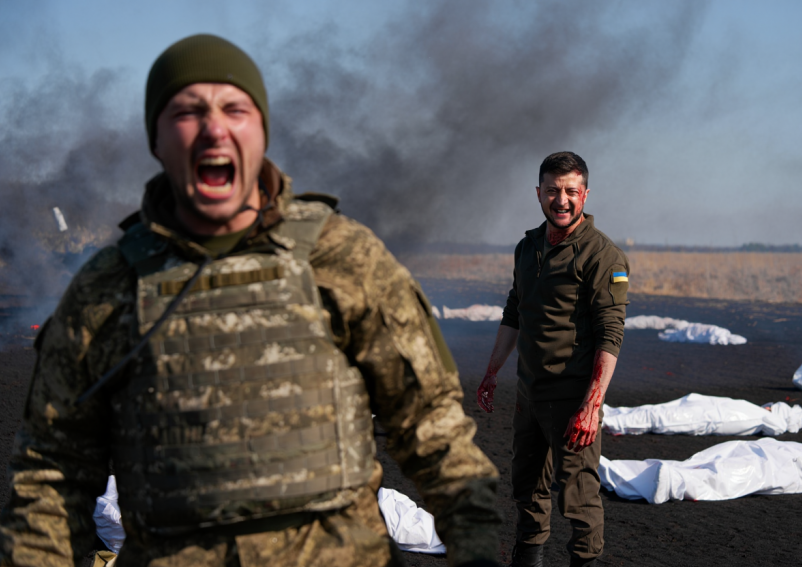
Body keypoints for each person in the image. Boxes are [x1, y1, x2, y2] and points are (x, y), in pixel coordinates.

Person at [0, 34, 501, 567]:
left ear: (261, 130)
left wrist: (477, 551)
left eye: (235, 108)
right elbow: (49, 480)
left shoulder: (343, 260)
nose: (214, 128)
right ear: (156, 139)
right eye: (187, 111)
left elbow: (435, 433)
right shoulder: (107, 288)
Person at [476, 152, 629, 567]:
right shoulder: (527, 248)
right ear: (538, 193)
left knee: (578, 500)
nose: (561, 200)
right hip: (530, 393)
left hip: (573, 397)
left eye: (570, 191)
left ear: (585, 194)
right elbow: (514, 312)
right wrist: (492, 373)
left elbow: (610, 335)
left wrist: (591, 406)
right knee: (527, 489)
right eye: (552, 191)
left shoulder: (602, 256)